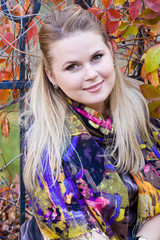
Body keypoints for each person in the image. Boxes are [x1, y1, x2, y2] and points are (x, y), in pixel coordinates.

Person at [21, 4, 160, 240]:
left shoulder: (140, 112)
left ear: (110, 51)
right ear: (52, 75)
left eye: (96, 57)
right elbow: (76, 232)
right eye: (72, 66)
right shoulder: (47, 142)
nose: (91, 74)